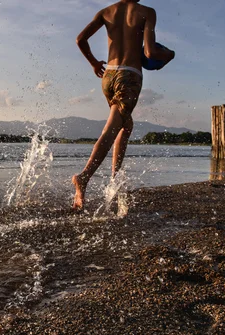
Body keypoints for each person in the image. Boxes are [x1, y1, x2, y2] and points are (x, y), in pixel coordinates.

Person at [72, 0, 174, 210]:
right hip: (129, 77)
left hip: (108, 75)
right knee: (111, 129)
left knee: (125, 126)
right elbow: (150, 53)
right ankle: (84, 176)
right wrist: (170, 55)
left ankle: (115, 180)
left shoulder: (106, 12)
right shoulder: (147, 12)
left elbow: (81, 39)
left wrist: (93, 63)